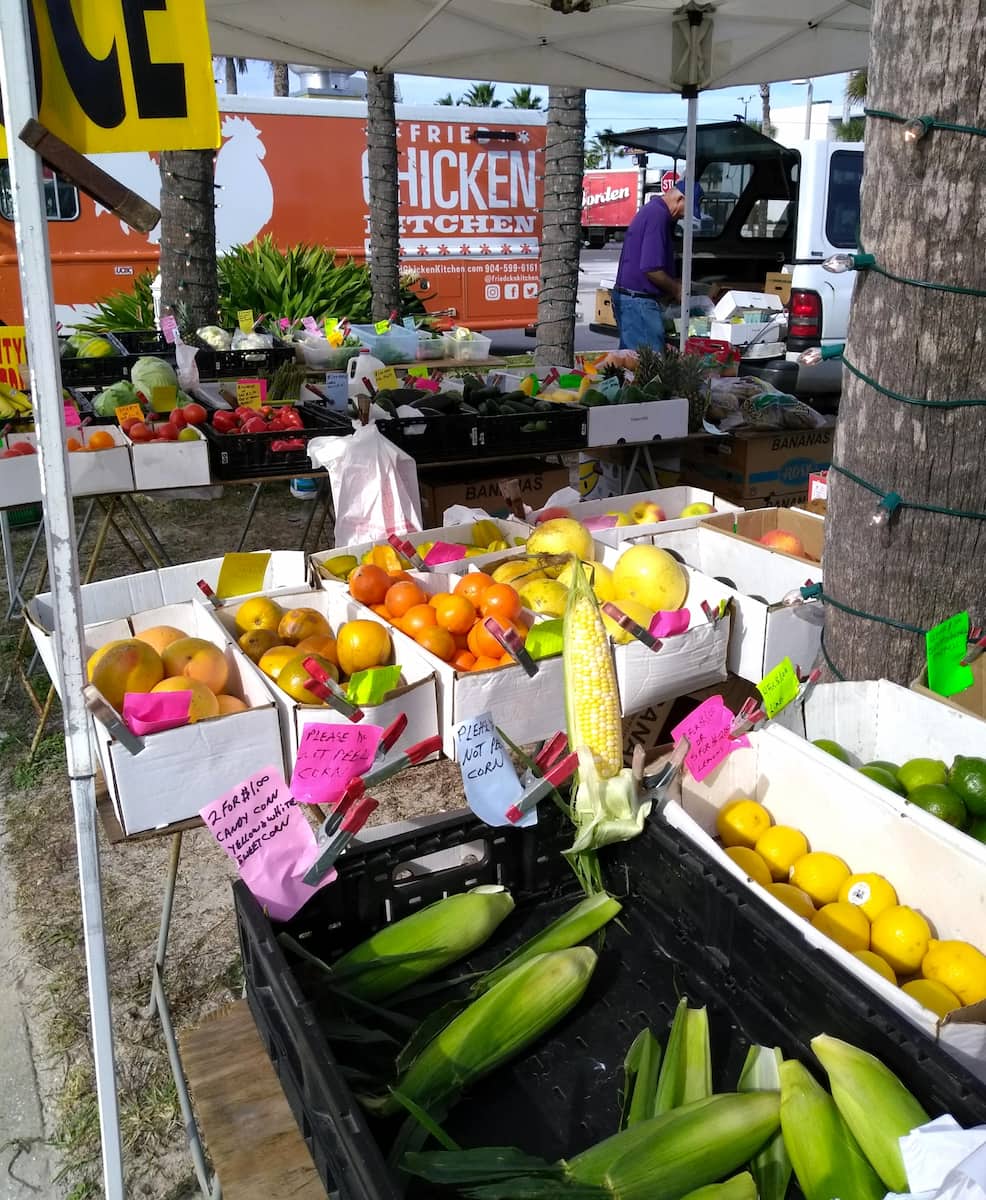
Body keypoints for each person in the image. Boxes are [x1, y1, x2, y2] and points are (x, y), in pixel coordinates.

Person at [611, 183, 688, 352]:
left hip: (633, 300)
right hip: (638, 303)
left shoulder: (654, 211)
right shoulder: (658, 215)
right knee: (648, 367)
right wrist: (676, 289)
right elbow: (651, 268)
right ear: (680, 199)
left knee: (633, 364)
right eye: (686, 210)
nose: (684, 216)